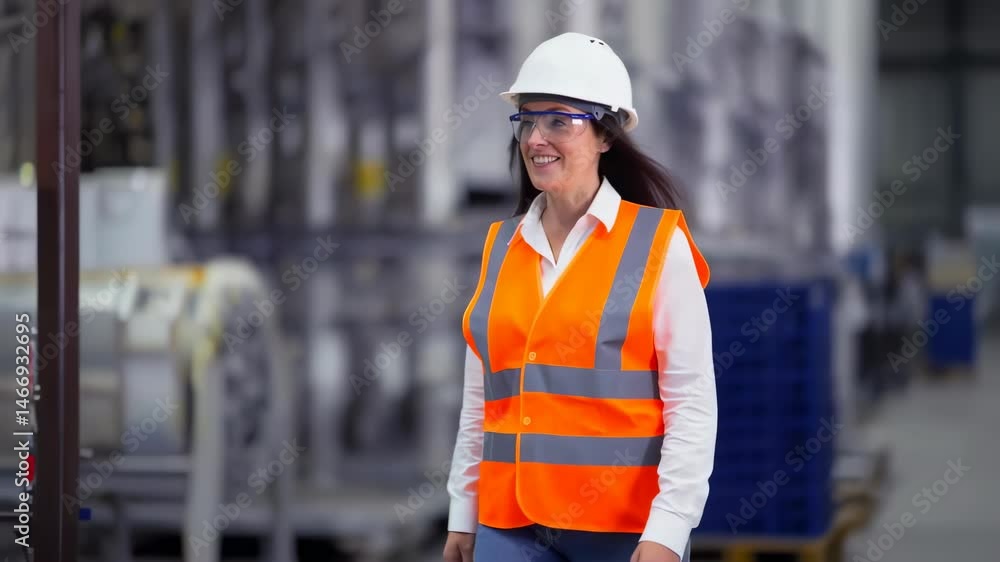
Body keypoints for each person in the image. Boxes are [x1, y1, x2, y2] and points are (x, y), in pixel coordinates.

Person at [443, 32, 717, 562]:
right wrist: (463, 511)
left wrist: (669, 528)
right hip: (509, 526)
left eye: (558, 121)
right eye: (527, 120)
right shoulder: (501, 246)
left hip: (622, 529)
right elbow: (482, 401)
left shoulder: (659, 245)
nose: (535, 139)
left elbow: (692, 403)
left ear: (605, 135)